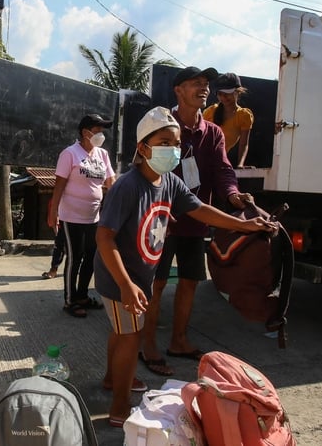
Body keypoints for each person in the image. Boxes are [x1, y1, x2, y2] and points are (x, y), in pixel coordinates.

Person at [95, 106, 277, 427]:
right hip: (119, 275)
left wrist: (246, 226)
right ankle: (120, 409)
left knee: (121, 330)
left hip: (138, 275)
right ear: (143, 147)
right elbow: (104, 237)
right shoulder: (128, 186)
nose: (173, 150)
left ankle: (112, 379)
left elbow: (201, 210)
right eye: (164, 142)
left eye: (176, 144)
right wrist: (125, 284)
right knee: (131, 336)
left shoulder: (168, 182)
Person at [140, 67, 255, 372]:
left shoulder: (213, 133)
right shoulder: (162, 124)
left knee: (190, 281)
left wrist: (232, 195)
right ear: (178, 90)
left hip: (195, 219)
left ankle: (178, 340)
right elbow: (145, 166)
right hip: (160, 220)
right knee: (157, 283)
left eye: (205, 85)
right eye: (196, 84)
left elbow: (223, 170)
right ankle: (147, 344)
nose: (203, 89)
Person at [48, 113, 116, 318]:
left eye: (102, 131)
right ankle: (69, 301)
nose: (101, 135)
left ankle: (82, 296)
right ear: (85, 132)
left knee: (91, 258)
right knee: (75, 258)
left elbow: (111, 184)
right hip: (71, 217)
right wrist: (53, 213)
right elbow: (59, 186)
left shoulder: (102, 155)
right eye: (97, 131)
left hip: (94, 218)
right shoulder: (70, 154)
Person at [202, 73, 254, 168]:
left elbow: (243, 144)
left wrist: (240, 164)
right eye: (220, 94)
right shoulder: (210, 112)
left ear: (238, 92)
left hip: (218, 164)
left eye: (227, 93)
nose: (223, 97)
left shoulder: (244, 115)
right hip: (202, 160)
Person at [42, 198, 65, 280]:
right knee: (58, 247)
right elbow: (53, 212)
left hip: (82, 222)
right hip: (64, 225)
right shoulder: (55, 199)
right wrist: (55, 228)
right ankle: (53, 269)